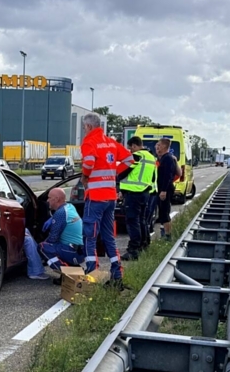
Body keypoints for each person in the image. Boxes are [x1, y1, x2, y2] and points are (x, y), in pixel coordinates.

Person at [79, 112, 134, 288]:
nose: (84, 130)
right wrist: (114, 173)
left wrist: (85, 177)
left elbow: (88, 162)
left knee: (90, 236)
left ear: (89, 126)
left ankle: (91, 275)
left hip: (95, 197)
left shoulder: (89, 141)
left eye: (84, 127)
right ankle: (117, 274)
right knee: (109, 237)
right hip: (110, 196)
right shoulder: (110, 142)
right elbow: (129, 159)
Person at [119, 136, 157, 261]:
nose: (130, 151)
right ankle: (144, 245)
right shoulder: (151, 157)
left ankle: (133, 250)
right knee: (142, 220)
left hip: (133, 193)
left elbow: (121, 172)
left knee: (132, 222)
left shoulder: (136, 156)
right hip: (145, 193)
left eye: (130, 148)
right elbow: (153, 177)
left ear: (135, 146)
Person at [41, 188, 84, 270]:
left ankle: (66, 271)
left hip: (71, 252)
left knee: (42, 247)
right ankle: (74, 268)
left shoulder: (60, 213)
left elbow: (53, 239)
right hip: (80, 251)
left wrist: (42, 249)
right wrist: (52, 218)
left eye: (49, 198)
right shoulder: (70, 207)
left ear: (56, 199)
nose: (47, 200)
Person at [155, 137, 181, 241]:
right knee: (162, 212)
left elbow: (167, 176)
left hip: (165, 189)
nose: (157, 146)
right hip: (162, 188)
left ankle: (167, 236)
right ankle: (165, 234)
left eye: (159, 145)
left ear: (164, 146)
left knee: (165, 213)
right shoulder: (162, 158)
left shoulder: (167, 159)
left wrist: (164, 190)